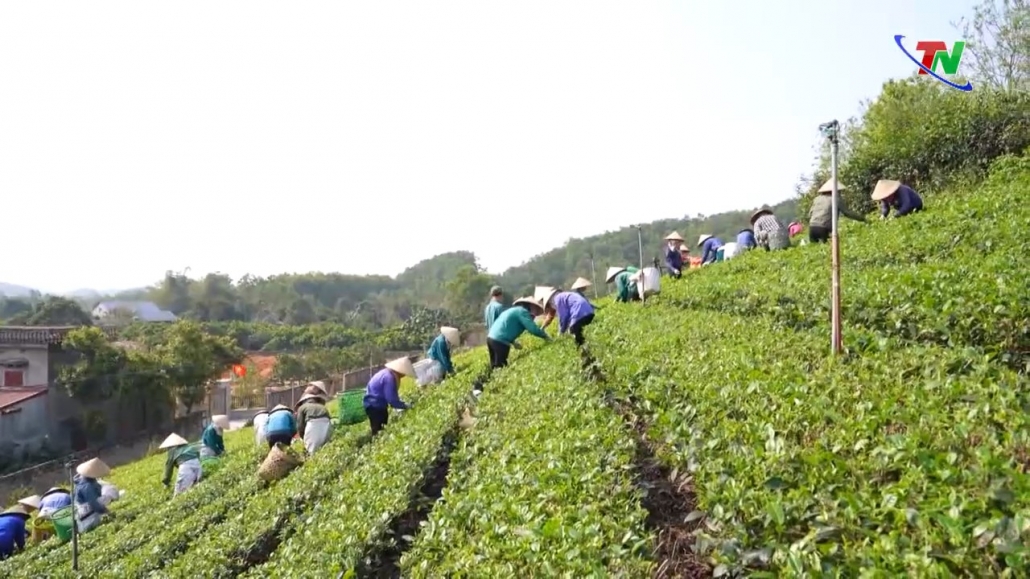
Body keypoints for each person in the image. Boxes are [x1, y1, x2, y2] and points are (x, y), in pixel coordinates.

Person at [486, 297, 551, 370]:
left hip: (491, 338)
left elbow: (505, 328)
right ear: (530, 306)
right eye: (536, 308)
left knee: (494, 366)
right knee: (500, 367)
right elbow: (533, 329)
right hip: (500, 342)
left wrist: (513, 343)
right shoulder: (523, 312)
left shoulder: (516, 310)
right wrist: (546, 337)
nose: (536, 312)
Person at [363, 356, 416, 436]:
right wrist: (405, 406)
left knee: (380, 428)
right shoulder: (389, 378)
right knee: (379, 430)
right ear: (400, 371)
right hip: (375, 405)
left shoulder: (386, 373)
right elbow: (391, 400)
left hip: (372, 403)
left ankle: (376, 442)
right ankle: (376, 445)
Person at [810, 178, 867, 242]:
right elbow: (847, 213)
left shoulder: (817, 199)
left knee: (815, 248)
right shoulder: (836, 199)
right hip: (824, 228)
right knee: (827, 248)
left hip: (812, 227)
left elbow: (811, 213)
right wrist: (862, 219)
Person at [74, 458, 112, 533]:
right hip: (86, 516)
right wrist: (105, 511)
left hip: (84, 512)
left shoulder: (84, 480)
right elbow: (93, 503)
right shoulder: (86, 486)